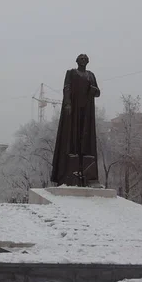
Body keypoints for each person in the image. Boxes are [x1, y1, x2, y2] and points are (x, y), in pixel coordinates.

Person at [51, 54, 101, 186]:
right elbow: (66, 88)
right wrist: (67, 103)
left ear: (88, 61)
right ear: (77, 61)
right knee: (71, 137)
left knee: (85, 138)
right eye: (81, 58)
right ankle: (69, 172)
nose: (83, 60)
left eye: (85, 59)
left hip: (86, 111)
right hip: (73, 110)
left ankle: (86, 174)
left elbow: (98, 92)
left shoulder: (91, 75)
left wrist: (93, 90)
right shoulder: (71, 73)